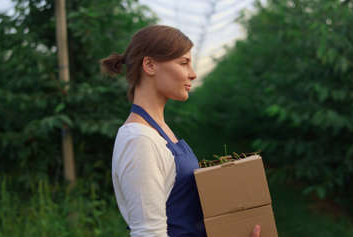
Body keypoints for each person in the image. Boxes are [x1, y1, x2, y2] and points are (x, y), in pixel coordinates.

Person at [101, 24, 261, 237]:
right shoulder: (139, 140)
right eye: (184, 63)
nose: (193, 74)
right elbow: (149, 234)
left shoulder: (161, 131)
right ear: (149, 65)